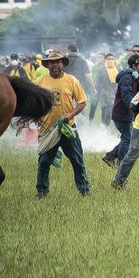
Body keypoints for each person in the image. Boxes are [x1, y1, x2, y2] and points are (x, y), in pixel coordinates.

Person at [34, 51, 90, 199]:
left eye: (58, 62)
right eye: (52, 62)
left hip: (68, 129)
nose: (55, 65)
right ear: (47, 65)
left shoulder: (72, 80)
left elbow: (82, 102)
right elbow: (33, 103)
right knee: (44, 162)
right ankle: (41, 193)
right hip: (47, 130)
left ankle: (84, 191)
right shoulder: (39, 82)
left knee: (77, 161)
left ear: (63, 64)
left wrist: (70, 115)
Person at [103, 54, 139, 167]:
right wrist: (133, 107)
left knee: (128, 138)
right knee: (127, 139)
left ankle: (110, 156)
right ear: (134, 65)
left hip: (127, 113)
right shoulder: (127, 77)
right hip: (122, 113)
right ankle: (121, 163)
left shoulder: (135, 77)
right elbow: (126, 95)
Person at [93, 53, 118, 125]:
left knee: (113, 108)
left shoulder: (118, 68)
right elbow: (97, 80)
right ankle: (105, 125)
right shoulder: (102, 69)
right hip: (106, 91)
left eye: (112, 59)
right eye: (109, 59)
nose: (110, 60)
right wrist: (95, 90)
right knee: (110, 107)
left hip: (116, 91)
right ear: (106, 60)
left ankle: (107, 123)